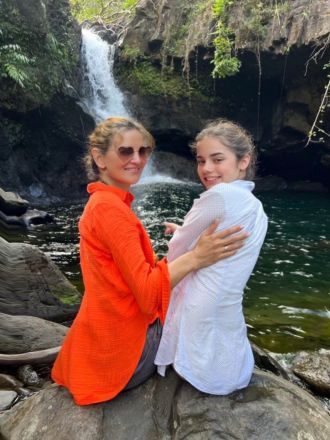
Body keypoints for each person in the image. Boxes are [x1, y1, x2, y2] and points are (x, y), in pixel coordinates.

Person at [51, 116, 248, 405]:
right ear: (99, 158)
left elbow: (135, 279)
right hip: (125, 356)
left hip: (105, 341)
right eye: (126, 151)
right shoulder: (110, 210)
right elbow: (146, 295)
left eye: (143, 151)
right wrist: (196, 257)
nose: (138, 159)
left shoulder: (105, 203)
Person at [155, 119, 268, 395]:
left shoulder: (218, 195)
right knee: (226, 350)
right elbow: (222, 240)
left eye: (217, 159)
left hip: (200, 300)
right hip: (227, 300)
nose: (206, 169)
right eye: (201, 160)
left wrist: (180, 238)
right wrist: (185, 231)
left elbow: (181, 247)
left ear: (243, 161)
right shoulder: (256, 207)